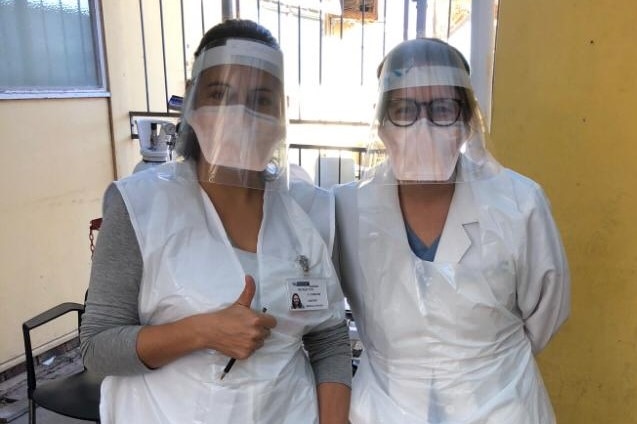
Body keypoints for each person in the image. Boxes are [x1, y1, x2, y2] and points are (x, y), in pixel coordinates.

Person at [81, 19, 351, 424]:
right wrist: (202, 331)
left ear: (281, 113)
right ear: (192, 104)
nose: (240, 114)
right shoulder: (140, 205)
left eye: (260, 99)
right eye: (221, 94)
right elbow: (97, 349)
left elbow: (328, 336)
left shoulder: (311, 209)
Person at [333, 38, 570, 423]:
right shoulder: (347, 208)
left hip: (501, 406)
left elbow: (547, 313)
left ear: (466, 122)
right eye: (403, 109)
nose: (422, 125)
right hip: (385, 408)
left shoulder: (519, 202)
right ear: (381, 123)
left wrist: (479, 363)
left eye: (442, 109)